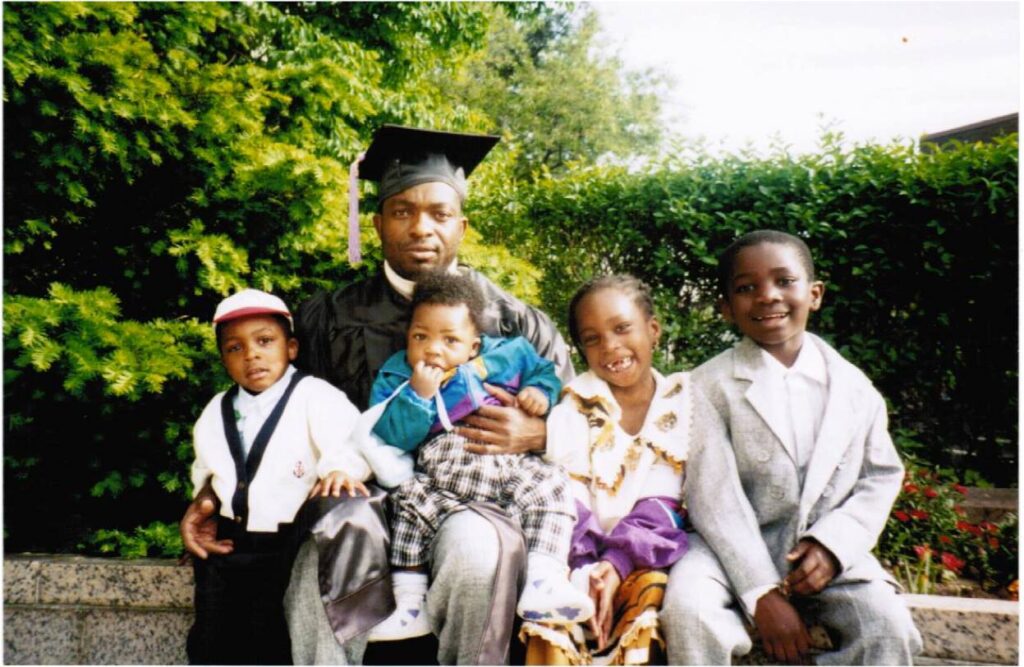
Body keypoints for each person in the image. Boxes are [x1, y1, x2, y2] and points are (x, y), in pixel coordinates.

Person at [180, 125, 575, 665]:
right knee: (330, 533)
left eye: (439, 213)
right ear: (377, 222)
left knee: (479, 552)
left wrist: (544, 431)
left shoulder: (513, 320)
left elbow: (592, 420)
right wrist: (215, 493)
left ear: (463, 224)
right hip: (353, 497)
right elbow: (268, 415)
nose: (421, 228)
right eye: (402, 211)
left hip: (468, 498)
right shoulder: (328, 316)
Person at [660, 230, 922, 664]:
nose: (767, 297)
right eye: (746, 288)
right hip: (724, 552)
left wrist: (834, 546)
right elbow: (713, 494)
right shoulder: (707, 385)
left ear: (814, 294)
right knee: (689, 611)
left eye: (784, 281)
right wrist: (761, 592)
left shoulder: (855, 389)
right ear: (726, 308)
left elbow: (880, 477)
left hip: (821, 557)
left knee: (886, 624)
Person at [363, 271, 592, 641]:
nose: (433, 349)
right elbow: (391, 435)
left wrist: (539, 391)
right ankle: (409, 601)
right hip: (445, 473)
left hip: (510, 467)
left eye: (450, 339)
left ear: (474, 345)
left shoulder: (509, 354)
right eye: (421, 337)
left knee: (552, 488)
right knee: (409, 504)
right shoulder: (397, 375)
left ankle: (543, 578)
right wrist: (418, 396)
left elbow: (545, 373)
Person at [186, 289, 370, 665]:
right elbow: (207, 470)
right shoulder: (216, 410)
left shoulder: (316, 397)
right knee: (213, 642)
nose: (251, 354)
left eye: (265, 341)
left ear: (292, 348)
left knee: (275, 642)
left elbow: (350, 444)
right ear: (224, 360)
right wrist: (205, 498)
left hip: (287, 546)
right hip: (230, 545)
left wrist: (340, 469)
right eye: (234, 348)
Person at [521, 275, 691, 665]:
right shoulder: (577, 405)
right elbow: (568, 495)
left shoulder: (681, 404)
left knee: (649, 599)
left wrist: (617, 565)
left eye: (622, 328)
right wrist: (585, 568)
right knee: (556, 616)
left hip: (648, 553)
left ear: (653, 330)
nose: (610, 346)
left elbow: (663, 503)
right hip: (577, 552)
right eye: (593, 338)